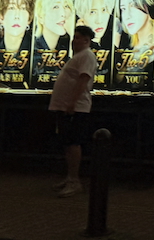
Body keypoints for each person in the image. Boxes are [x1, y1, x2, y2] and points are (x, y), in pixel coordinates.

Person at [48, 24, 98, 198]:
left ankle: (74, 182)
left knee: (73, 143)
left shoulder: (87, 56)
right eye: (74, 37)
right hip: (67, 107)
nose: (74, 41)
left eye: (77, 37)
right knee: (67, 144)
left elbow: (83, 80)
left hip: (76, 108)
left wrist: (72, 102)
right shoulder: (78, 56)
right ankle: (70, 177)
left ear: (86, 40)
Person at [112, 0, 154, 91]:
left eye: (132, 5)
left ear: (148, 1)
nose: (127, 15)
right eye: (123, 9)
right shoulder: (124, 45)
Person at [74, 0, 116, 89]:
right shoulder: (70, 47)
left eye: (104, 10)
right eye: (92, 12)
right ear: (81, 14)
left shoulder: (114, 43)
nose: (99, 20)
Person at [32, 0, 74, 88]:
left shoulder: (64, 46)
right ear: (41, 16)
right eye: (55, 7)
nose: (63, 13)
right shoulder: (33, 51)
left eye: (66, 6)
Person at [0, 0, 34, 88]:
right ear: (1, 17)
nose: (17, 16)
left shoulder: (36, 54)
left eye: (23, 8)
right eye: (12, 8)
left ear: (29, 18)